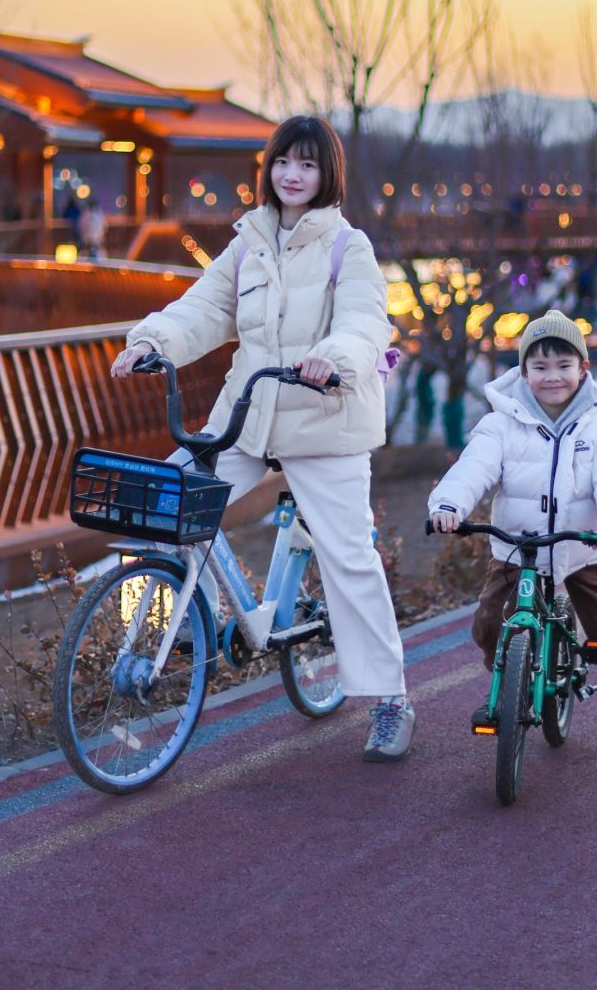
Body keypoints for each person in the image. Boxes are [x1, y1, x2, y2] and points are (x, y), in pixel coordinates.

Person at [111, 115, 413, 762]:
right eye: (282, 162)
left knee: (348, 557)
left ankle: (390, 698)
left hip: (325, 420)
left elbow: (366, 321)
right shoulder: (249, 242)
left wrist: (333, 356)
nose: (292, 174)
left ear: (325, 173)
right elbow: (204, 309)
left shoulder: (346, 247)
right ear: (268, 168)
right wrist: (151, 341)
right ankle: (184, 626)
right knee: (166, 500)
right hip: (248, 417)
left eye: (306, 164)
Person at [427, 309, 597, 773]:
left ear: (584, 369)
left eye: (563, 365)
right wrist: (448, 507)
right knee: (487, 626)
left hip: (583, 550)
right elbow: (473, 469)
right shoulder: (500, 425)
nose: (552, 377)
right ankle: (509, 687)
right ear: (522, 372)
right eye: (539, 367)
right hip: (516, 549)